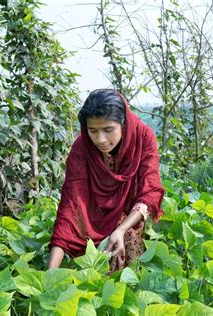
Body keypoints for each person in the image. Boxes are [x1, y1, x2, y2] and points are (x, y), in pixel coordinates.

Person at [48, 89, 164, 271]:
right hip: (93, 216)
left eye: (108, 130)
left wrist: (121, 229)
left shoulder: (142, 138)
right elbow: (71, 205)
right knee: (86, 263)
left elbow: (150, 191)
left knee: (125, 242)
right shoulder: (82, 148)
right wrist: (50, 274)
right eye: (93, 130)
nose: (100, 139)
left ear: (123, 124)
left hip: (130, 214)